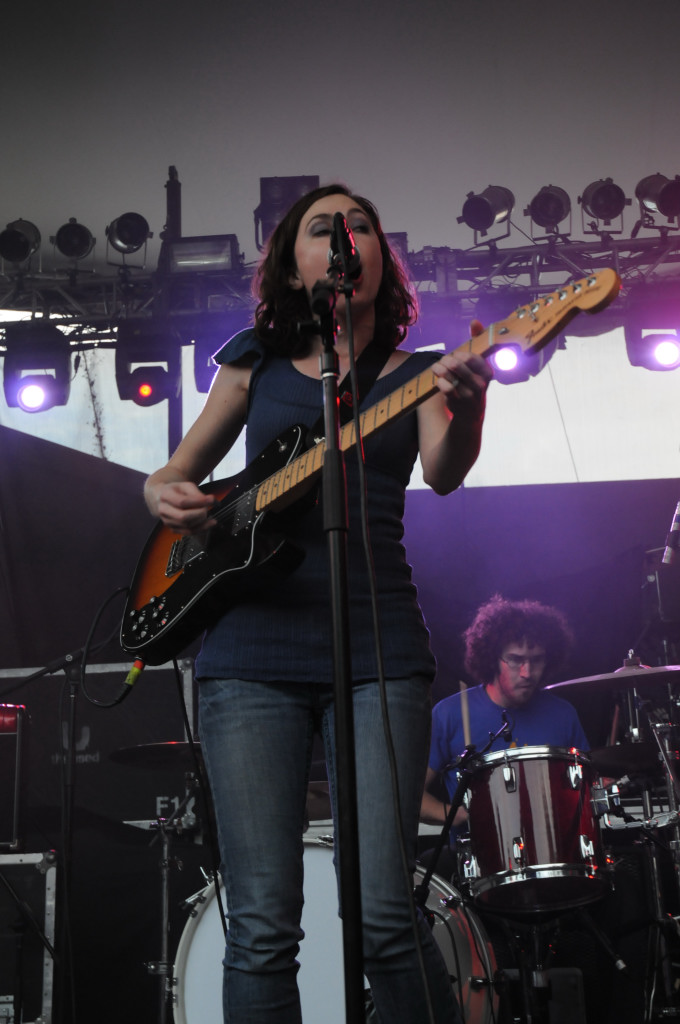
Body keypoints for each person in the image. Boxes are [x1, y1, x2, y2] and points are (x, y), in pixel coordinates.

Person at [143, 183, 492, 1024]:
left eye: (360, 225)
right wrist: (163, 494)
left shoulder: (420, 374)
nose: (345, 239)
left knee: (385, 916)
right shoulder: (252, 364)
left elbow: (445, 473)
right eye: (323, 229)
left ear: (381, 259)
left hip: (378, 647)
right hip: (248, 655)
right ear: (293, 265)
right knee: (261, 928)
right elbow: (174, 475)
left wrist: (473, 401)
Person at [421, 594, 589, 831]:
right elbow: (410, 795)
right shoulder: (450, 714)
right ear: (492, 659)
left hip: (553, 844)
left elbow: (586, 787)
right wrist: (453, 814)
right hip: (478, 851)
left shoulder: (563, 715)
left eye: (537, 660)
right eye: (515, 660)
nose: (527, 673)